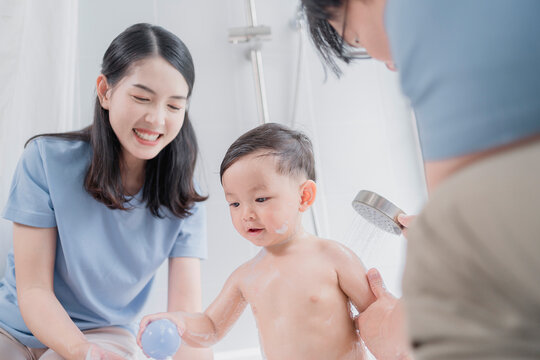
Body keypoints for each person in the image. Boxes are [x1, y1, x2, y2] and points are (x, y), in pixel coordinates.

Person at [301, 0, 540, 359]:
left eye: (356, 38)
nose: (390, 62)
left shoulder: (417, 13)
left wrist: (392, 329)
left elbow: (461, 239)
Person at [0, 23, 213, 360]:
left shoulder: (185, 195)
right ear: (105, 91)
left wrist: (92, 350)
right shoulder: (45, 159)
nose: (156, 120)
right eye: (142, 98)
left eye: (174, 106)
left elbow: (185, 320)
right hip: (13, 328)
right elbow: (34, 289)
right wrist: (80, 350)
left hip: (105, 335)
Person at [137, 123, 377, 359]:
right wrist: (179, 321)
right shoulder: (246, 277)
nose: (246, 214)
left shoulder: (333, 258)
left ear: (304, 196)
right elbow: (211, 327)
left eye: (261, 199)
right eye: (235, 203)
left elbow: (378, 316)